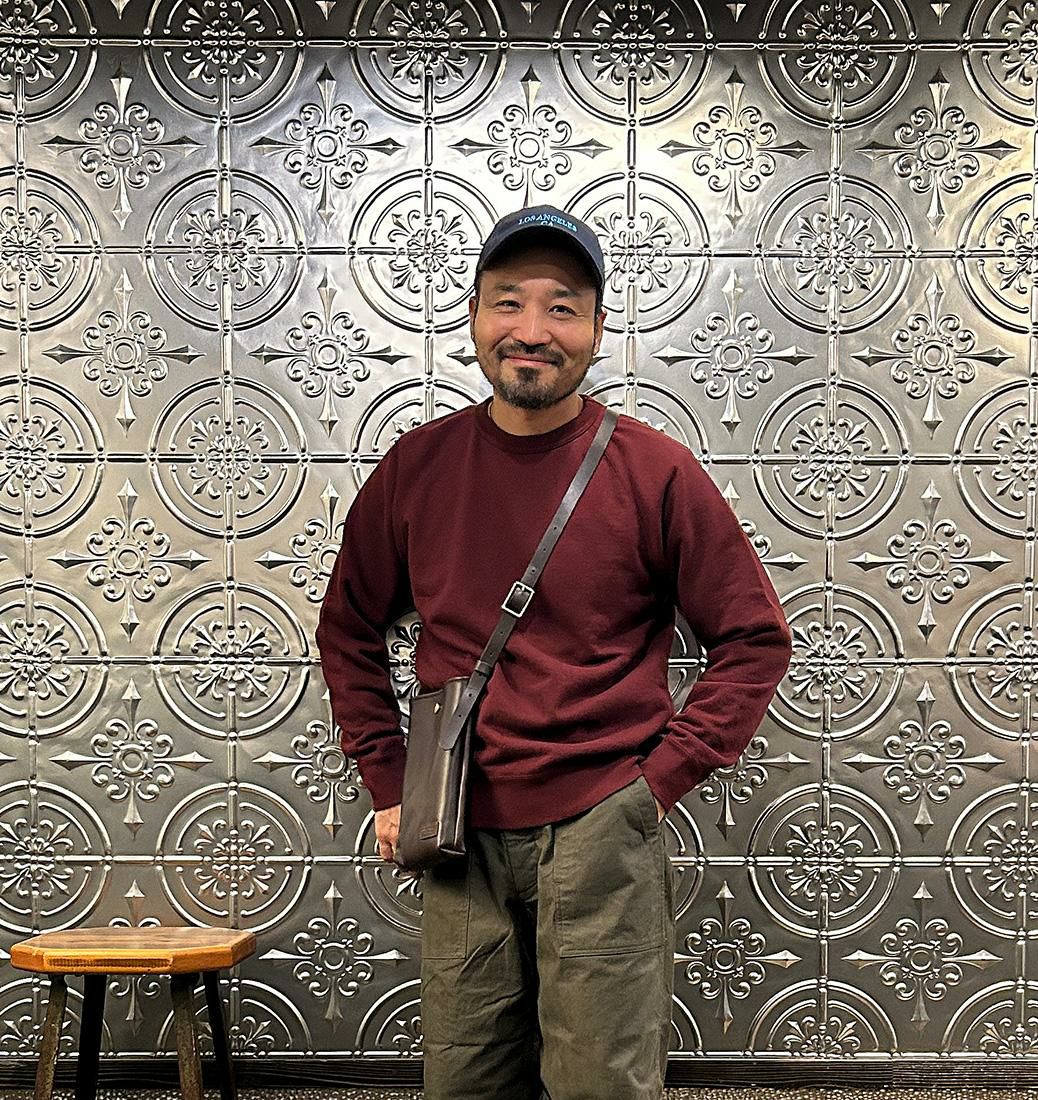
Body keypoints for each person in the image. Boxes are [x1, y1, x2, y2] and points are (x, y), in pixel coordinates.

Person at [316, 205, 793, 1099]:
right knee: (464, 1082)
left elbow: (754, 639)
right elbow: (347, 628)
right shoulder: (417, 468)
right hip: (456, 826)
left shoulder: (655, 472)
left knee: (600, 1085)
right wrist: (388, 780)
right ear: (473, 316)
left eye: (562, 307)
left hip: (602, 823)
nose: (531, 330)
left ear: (598, 329)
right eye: (508, 302)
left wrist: (655, 785)